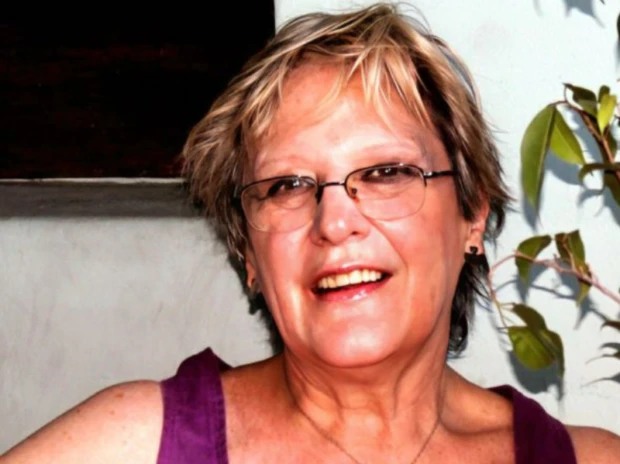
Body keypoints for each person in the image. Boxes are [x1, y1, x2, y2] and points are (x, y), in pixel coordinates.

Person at [3, 3, 620, 463]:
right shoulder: (132, 446)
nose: (334, 222)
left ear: (473, 214)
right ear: (247, 252)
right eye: (286, 186)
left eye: (385, 172)